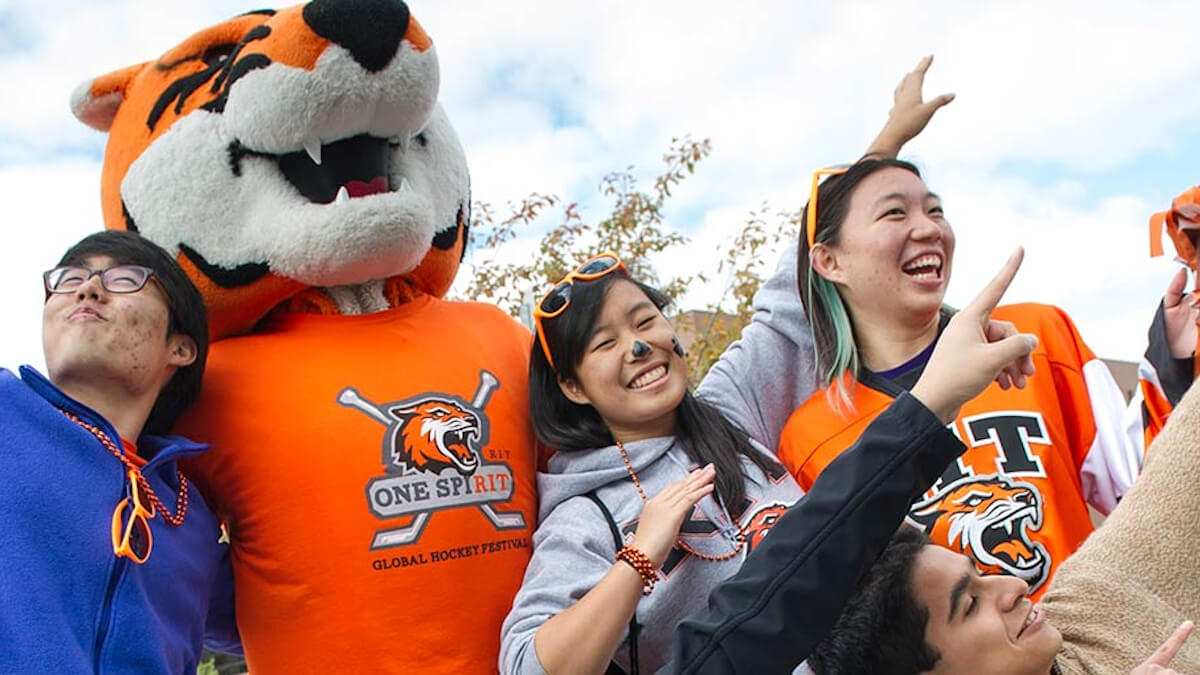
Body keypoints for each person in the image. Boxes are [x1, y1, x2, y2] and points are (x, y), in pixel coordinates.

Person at [499, 214, 1037, 675]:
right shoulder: (585, 515)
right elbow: (525, 663)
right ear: (572, 386)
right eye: (605, 343)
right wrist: (639, 558)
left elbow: (792, 300)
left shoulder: (728, 417)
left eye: (645, 322)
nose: (638, 347)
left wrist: (883, 149)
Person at [777, 157, 1142, 599]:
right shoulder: (809, 436)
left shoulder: (1034, 337)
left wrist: (1176, 362)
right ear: (830, 261)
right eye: (896, 212)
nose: (930, 229)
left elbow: (1145, 492)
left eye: (935, 210)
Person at [805, 370, 1200, 675]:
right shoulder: (811, 428)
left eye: (978, 573)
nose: (1014, 586)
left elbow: (1184, 457)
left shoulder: (1095, 601)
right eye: (971, 604)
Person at [0, 230, 238, 673]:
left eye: (125, 279)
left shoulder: (191, 514)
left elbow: (287, 614)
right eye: (69, 279)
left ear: (180, 348)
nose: (87, 288)